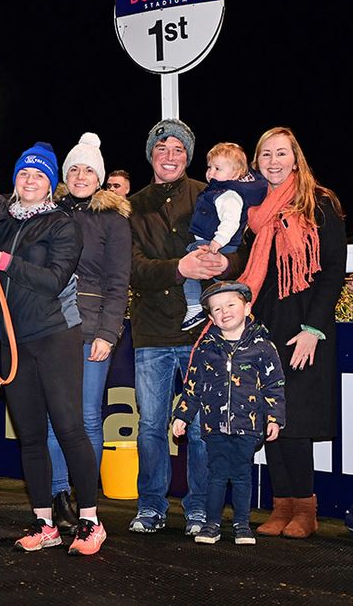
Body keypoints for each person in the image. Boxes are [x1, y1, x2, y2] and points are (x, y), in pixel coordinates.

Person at [0, 142, 106, 556]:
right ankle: (44, 522)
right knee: (31, 436)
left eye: (39, 175)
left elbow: (53, 280)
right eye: (24, 173)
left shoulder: (62, 225)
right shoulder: (2, 227)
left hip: (55, 336)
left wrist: (2, 261)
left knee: (70, 428)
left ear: (51, 183)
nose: (30, 180)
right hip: (12, 341)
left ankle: (90, 521)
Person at [128, 118, 241, 536]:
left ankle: (200, 510)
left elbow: (240, 249)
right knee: (151, 427)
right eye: (162, 148)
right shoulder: (131, 207)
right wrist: (180, 268)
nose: (170, 156)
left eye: (178, 149)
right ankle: (151, 506)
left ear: (189, 157)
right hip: (152, 333)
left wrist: (225, 262)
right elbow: (132, 269)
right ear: (151, 155)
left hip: (202, 336)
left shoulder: (211, 194)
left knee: (200, 429)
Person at [237, 126, 346, 539]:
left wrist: (313, 329)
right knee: (272, 416)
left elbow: (333, 271)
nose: (274, 161)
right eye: (266, 154)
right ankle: (281, 506)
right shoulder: (254, 211)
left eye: (281, 153)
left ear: (295, 158)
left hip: (305, 325)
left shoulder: (319, 203)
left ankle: (305, 509)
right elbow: (247, 268)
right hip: (265, 324)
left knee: (296, 418)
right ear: (257, 162)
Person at [45, 132, 131, 532]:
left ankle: (85, 499)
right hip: (51, 328)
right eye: (74, 169)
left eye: (89, 170)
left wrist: (108, 333)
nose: (81, 176)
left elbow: (119, 282)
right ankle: (58, 494)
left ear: (99, 178)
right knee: (54, 418)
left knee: (87, 417)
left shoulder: (113, 220)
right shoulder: (49, 212)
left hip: (93, 326)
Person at [172, 280, 286, 545]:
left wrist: (274, 418)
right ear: (211, 318)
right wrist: (182, 416)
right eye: (217, 309)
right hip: (214, 426)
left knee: (242, 475)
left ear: (247, 308)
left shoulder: (264, 347)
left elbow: (274, 385)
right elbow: (192, 386)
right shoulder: (205, 348)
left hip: (248, 426)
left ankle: (242, 525)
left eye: (231, 305)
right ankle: (211, 524)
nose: (224, 312)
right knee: (216, 476)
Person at [181, 143, 267, 330]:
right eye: (209, 167)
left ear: (235, 174)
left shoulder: (228, 194)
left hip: (217, 244)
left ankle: (194, 307)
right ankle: (226, 309)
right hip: (216, 243)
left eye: (217, 168)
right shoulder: (219, 190)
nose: (210, 172)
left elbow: (231, 221)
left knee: (191, 265)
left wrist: (217, 241)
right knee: (219, 283)